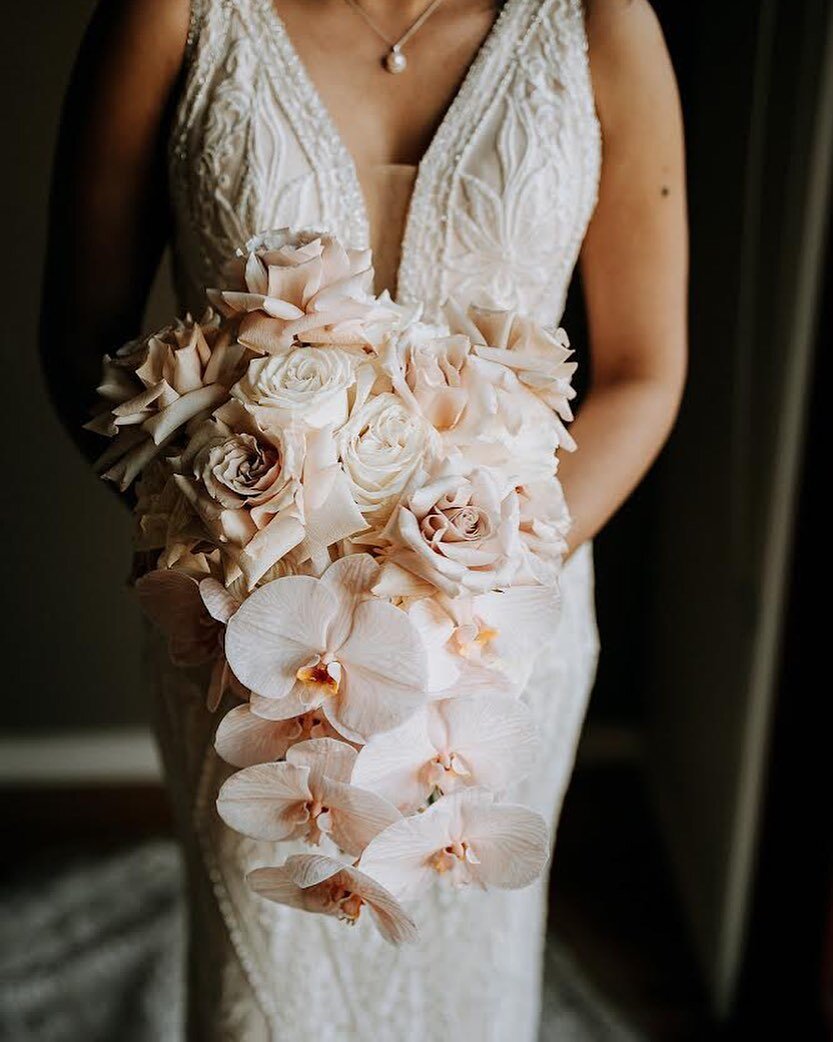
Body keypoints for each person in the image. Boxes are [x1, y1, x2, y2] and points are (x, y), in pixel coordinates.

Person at [39, 0, 688, 1038]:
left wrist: (465, 587)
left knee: (472, 971)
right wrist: (227, 539)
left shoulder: (599, 24)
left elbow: (645, 374)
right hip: (253, 650)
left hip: (502, 626)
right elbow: (80, 339)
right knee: (266, 988)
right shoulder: (175, 15)